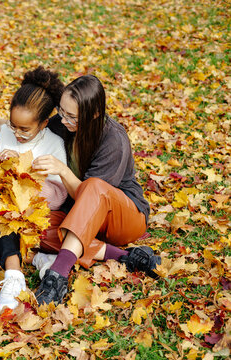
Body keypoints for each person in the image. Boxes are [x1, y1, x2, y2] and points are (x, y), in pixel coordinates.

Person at [31, 74, 160, 305]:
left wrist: (63, 170)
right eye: (60, 111)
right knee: (29, 224)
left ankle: (57, 275)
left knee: (94, 186)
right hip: (80, 223)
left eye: (71, 116)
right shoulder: (60, 124)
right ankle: (124, 257)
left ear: (94, 114)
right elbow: (31, 128)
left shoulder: (113, 139)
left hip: (123, 218)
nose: (62, 120)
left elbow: (91, 197)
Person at [0, 67, 68, 313]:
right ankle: (34, 258)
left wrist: (20, 172)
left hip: (27, 220)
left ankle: (13, 276)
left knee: (5, 202)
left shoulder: (54, 144)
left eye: (25, 130)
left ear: (43, 123)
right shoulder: (1, 133)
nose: (18, 135)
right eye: (14, 126)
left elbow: (57, 196)